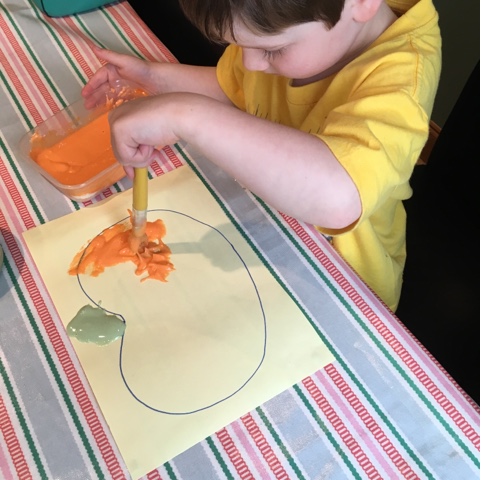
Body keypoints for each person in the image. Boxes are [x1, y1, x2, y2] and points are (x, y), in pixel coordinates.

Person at [81, 0, 441, 312]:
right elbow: (235, 88)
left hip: (338, 287)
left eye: (272, 50)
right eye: (239, 46)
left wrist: (185, 115)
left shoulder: (401, 78)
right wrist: (154, 77)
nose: (250, 63)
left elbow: (337, 198)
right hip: (265, 237)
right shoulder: (295, 26)